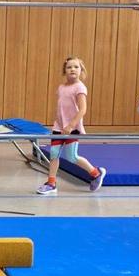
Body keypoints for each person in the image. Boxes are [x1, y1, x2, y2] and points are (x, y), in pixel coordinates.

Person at [36, 57, 106, 196]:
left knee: (72, 157)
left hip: (72, 128)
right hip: (59, 127)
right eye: (69, 67)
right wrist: (58, 123)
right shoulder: (61, 87)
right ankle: (51, 183)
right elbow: (61, 107)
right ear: (65, 71)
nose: (72, 69)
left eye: (76, 67)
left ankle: (96, 173)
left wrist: (71, 125)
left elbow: (83, 109)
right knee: (54, 155)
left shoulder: (80, 87)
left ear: (81, 70)